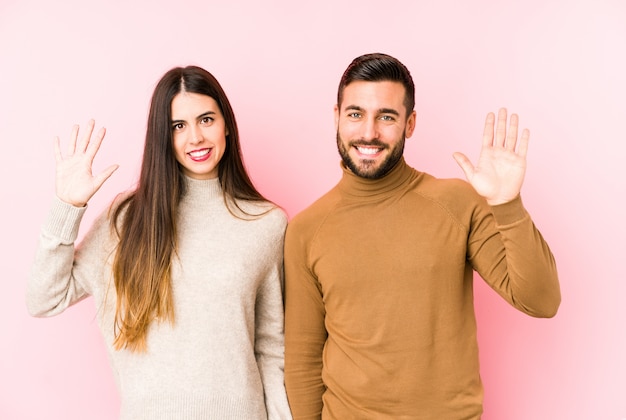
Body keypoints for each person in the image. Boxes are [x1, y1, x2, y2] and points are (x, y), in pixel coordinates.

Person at [283, 53, 561, 419]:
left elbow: (541, 300)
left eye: (386, 116)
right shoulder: (307, 229)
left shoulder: (456, 202)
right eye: (355, 114)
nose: (369, 132)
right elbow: (303, 359)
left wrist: (507, 204)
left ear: (410, 123)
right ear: (336, 117)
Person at [27, 66, 292, 420]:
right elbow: (44, 297)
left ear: (226, 123)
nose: (195, 137)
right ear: (162, 138)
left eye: (206, 119)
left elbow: (272, 349)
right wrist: (67, 207)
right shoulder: (126, 219)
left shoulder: (266, 223)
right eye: (178, 126)